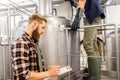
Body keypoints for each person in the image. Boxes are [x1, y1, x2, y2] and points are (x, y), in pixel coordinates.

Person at [11, 14, 60, 80]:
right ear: (34, 24)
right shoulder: (21, 43)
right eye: (42, 27)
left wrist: (50, 71)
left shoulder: (34, 43)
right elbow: (23, 75)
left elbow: (37, 70)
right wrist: (48, 73)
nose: (43, 31)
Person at [83, 0, 105, 80]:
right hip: (93, 15)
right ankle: (93, 74)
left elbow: (82, 2)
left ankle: (94, 76)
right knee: (92, 44)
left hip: (92, 16)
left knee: (87, 44)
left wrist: (77, 18)